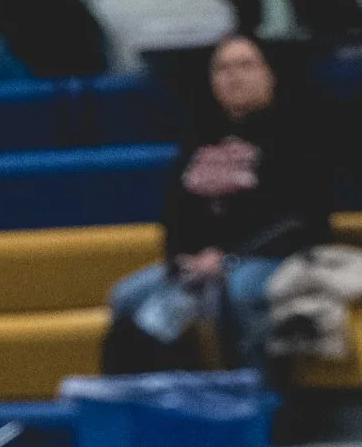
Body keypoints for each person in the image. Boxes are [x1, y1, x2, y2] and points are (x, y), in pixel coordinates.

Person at [101, 36, 328, 370]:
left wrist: (230, 256)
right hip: (205, 262)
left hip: (277, 256)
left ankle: (258, 387)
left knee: (240, 288)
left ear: (270, 75)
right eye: (222, 69)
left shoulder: (299, 133)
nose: (233, 76)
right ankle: (172, 387)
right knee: (128, 295)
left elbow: (303, 218)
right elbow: (175, 211)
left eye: (246, 65)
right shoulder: (200, 137)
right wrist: (181, 258)